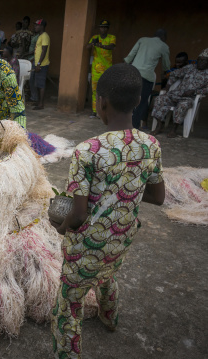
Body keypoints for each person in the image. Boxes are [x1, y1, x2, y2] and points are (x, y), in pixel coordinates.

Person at [49, 63, 165, 359]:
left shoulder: (87, 151)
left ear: (101, 102)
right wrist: (125, 190)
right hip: (121, 240)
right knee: (106, 275)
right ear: (139, 101)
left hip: (87, 246)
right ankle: (110, 319)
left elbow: (76, 215)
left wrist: (59, 228)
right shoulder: (151, 145)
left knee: (69, 305)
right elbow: (158, 196)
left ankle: (67, 354)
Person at [150, 49, 208, 138]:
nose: (200, 62)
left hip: (189, 98)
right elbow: (174, 74)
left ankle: (174, 129)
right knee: (159, 99)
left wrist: (195, 91)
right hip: (176, 93)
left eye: (203, 60)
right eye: (199, 59)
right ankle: (159, 125)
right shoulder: (190, 67)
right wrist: (168, 87)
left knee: (182, 106)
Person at [124, 29, 170, 129]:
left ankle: (123, 123)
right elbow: (166, 66)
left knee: (129, 99)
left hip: (132, 73)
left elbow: (130, 57)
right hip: (146, 77)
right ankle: (134, 126)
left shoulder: (142, 40)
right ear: (164, 37)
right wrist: (166, 71)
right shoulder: (164, 46)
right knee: (142, 102)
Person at [87, 20, 116, 118]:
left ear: (107, 29)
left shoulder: (111, 37)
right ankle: (94, 111)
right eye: (101, 27)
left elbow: (112, 47)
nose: (103, 29)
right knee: (95, 90)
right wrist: (92, 44)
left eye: (105, 27)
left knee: (106, 91)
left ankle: (103, 111)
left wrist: (101, 45)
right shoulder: (95, 37)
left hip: (107, 69)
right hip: (96, 69)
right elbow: (87, 47)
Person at [33, 19, 50, 110]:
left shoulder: (45, 36)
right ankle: (39, 102)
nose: (35, 27)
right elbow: (38, 49)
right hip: (38, 64)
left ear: (42, 26)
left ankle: (41, 104)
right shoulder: (40, 36)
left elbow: (44, 50)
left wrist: (39, 64)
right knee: (38, 84)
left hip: (42, 65)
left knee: (41, 85)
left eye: (37, 25)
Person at [24, 20, 41, 103]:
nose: (35, 27)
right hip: (31, 58)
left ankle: (34, 97)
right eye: (34, 26)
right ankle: (33, 96)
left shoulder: (39, 37)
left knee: (32, 79)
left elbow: (37, 50)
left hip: (33, 59)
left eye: (36, 26)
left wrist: (30, 57)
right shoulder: (34, 36)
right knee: (31, 79)